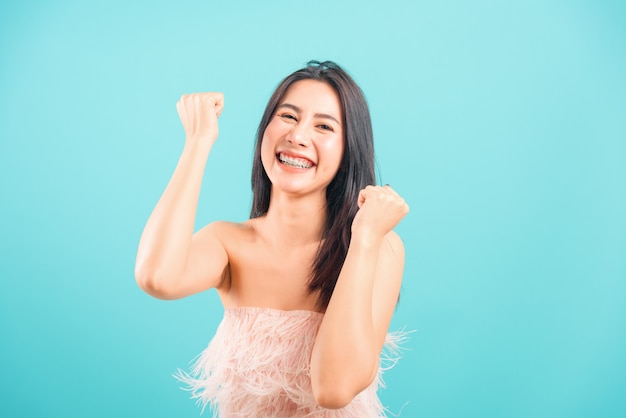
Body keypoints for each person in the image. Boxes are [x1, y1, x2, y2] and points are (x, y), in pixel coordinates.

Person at [135, 60, 410, 417]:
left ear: (348, 150)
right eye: (288, 117)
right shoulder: (228, 243)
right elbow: (156, 276)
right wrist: (197, 143)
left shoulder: (377, 246)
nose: (297, 136)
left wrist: (365, 237)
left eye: (324, 125)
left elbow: (334, 387)